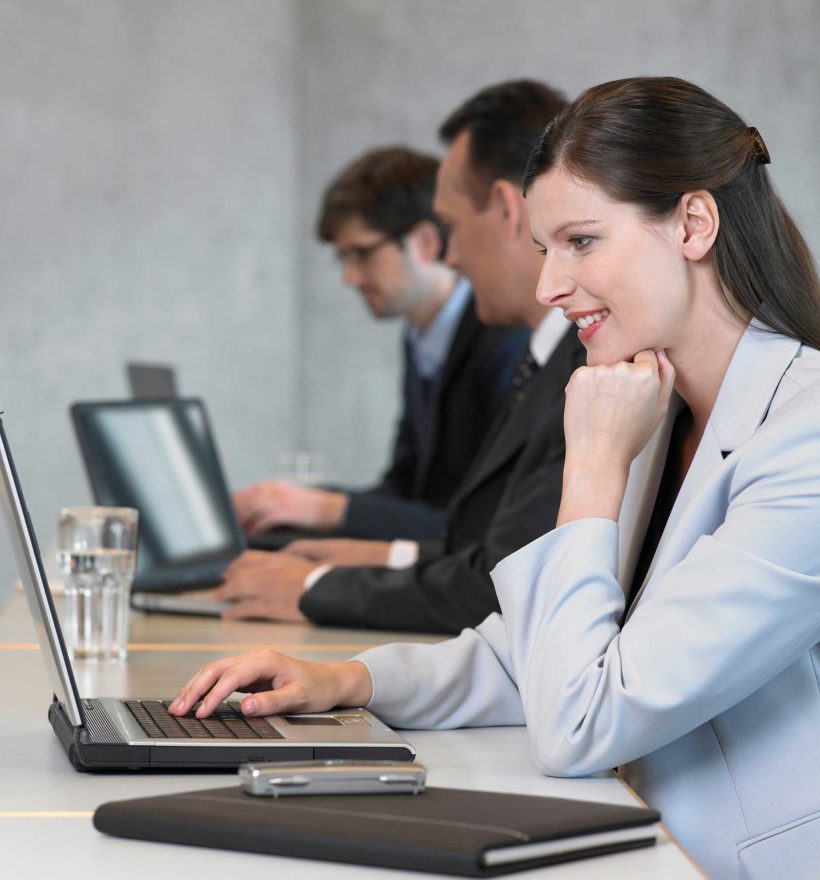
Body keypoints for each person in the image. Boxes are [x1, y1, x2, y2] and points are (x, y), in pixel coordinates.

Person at [171, 77, 820, 878]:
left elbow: (585, 717)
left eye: (581, 242)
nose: (549, 286)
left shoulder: (803, 442)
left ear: (693, 223)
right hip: (635, 836)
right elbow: (532, 650)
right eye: (546, 251)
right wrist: (344, 679)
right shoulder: (663, 405)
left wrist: (591, 468)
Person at [213, 80, 582, 631]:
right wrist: (362, 554)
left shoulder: (558, 361)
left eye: (452, 227)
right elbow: (472, 540)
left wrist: (322, 578)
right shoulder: (528, 352)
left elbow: (498, 577)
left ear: (507, 211)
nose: (453, 255)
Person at [235, 147, 527, 544]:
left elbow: (482, 528)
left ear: (425, 242)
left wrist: (326, 509)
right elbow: (404, 489)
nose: (350, 278)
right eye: (343, 260)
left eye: (361, 254)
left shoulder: (506, 342)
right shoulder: (420, 339)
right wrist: (294, 505)